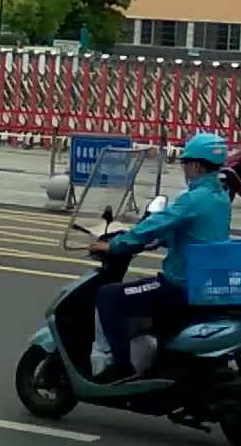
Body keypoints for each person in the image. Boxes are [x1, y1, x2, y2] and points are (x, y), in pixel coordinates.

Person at [91, 132, 232, 382]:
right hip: (202, 284)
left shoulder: (193, 198)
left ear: (197, 165)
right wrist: (160, 241)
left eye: (186, 163)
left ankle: (121, 370)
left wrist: (116, 245)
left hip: (179, 286)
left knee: (109, 296)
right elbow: (196, 232)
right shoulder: (220, 197)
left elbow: (159, 222)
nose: (185, 169)